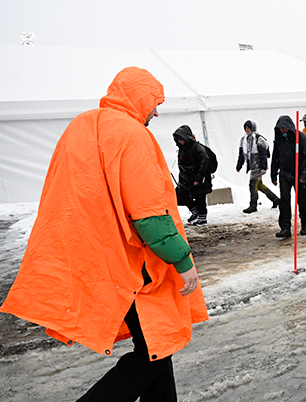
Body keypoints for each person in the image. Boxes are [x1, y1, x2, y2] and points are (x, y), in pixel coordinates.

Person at [0, 67, 207, 401]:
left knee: (156, 342)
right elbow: (150, 214)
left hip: (91, 253)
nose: (156, 111)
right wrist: (183, 262)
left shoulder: (81, 126)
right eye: (154, 102)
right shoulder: (132, 135)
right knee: (153, 347)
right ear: (139, 97)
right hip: (129, 262)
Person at [270, 115, 306, 238]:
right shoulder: (279, 139)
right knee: (284, 200)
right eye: (280, 128)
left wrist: (304, 175)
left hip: (298, 174)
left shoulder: (300, 137)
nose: (282, 130)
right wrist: (273, 174)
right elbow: (275, 157)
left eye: (284, 128)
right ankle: (285, 227)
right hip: (284, 174)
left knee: (301, 199)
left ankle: (304, 222)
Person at [236, 120, 279, 214]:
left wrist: (263, 167)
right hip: (252, 166)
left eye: (248, 128)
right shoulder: (244, 140)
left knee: (252, 185)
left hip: (258, 166)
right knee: (259, 185)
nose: (247, 130)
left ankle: (253, 205)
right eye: (245, 128)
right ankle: (276, 200)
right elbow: (241, 154)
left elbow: (263, 154)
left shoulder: (259, 139)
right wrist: (239, 165)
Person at [173, 125, 213, 226]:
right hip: (186, 179)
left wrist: (198, 179)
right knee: (180, 194)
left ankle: (202, 217)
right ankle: (195, 211)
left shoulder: (197, 148)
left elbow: (204, 163)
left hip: (200, 179)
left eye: (181, 139)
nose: (179, 142)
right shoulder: (182, 149)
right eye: (178, 140)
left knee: (200, 197)